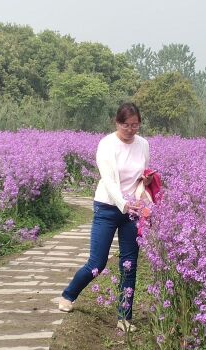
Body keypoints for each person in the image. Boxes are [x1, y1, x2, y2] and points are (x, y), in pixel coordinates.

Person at [59, 102, 151, 332]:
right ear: (117, 123)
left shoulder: (143, 145)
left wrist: (143, 189)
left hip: (133, 211)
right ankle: (68, 295)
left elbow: (141, 176)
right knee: (97, 262)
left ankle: (124, 317)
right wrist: (124, 204)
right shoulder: (107, 145)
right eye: (127, 125)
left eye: (136, 125)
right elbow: (109, 182)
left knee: (129, 264)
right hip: (108, 208)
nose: (131, 129)